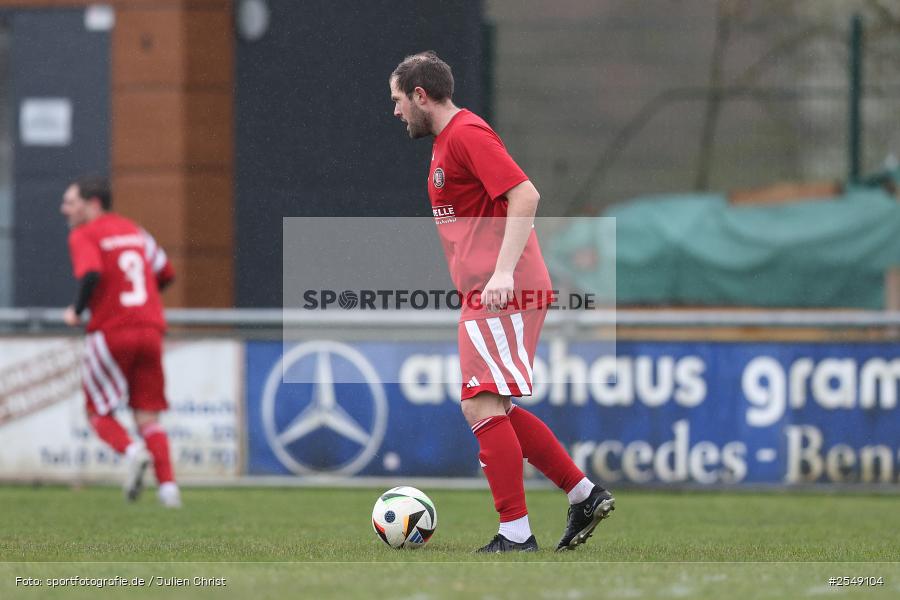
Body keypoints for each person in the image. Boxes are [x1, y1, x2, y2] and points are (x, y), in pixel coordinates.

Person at [390, 52, 614, 552]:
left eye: (399, 100)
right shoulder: (450, 140)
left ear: (420, 95)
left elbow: (526, 195)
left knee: (478, 402)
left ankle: (515, 533)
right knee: (497, 407)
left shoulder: (466, 134)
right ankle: (583, 494)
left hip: (501, 291)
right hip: (491, 289)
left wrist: (504, 273)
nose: (397, 111)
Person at [60, 175, 181, 508]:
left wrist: (77, 310)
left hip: (111, 330)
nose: (64, 209)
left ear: (92, 203)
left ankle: (132, 452)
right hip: (151, 329)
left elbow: (92, 273)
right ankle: (169, 491)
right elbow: (166, 273)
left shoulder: (84, 234)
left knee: (97, 411)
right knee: (148, 416)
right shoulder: (135, 231)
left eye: (71, 202)